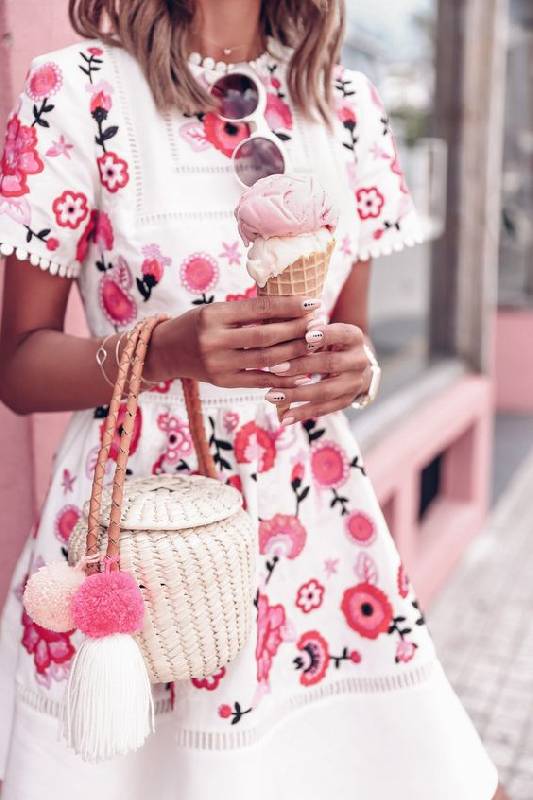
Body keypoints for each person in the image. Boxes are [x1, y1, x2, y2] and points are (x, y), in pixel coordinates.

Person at [0, 1, 508, 798]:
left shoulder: (345, 107)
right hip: (137, 542)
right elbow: (19, 368)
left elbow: (349, 339)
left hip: (311, 538)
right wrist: (164, 350)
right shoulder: (77, 90)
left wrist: (358, 369)